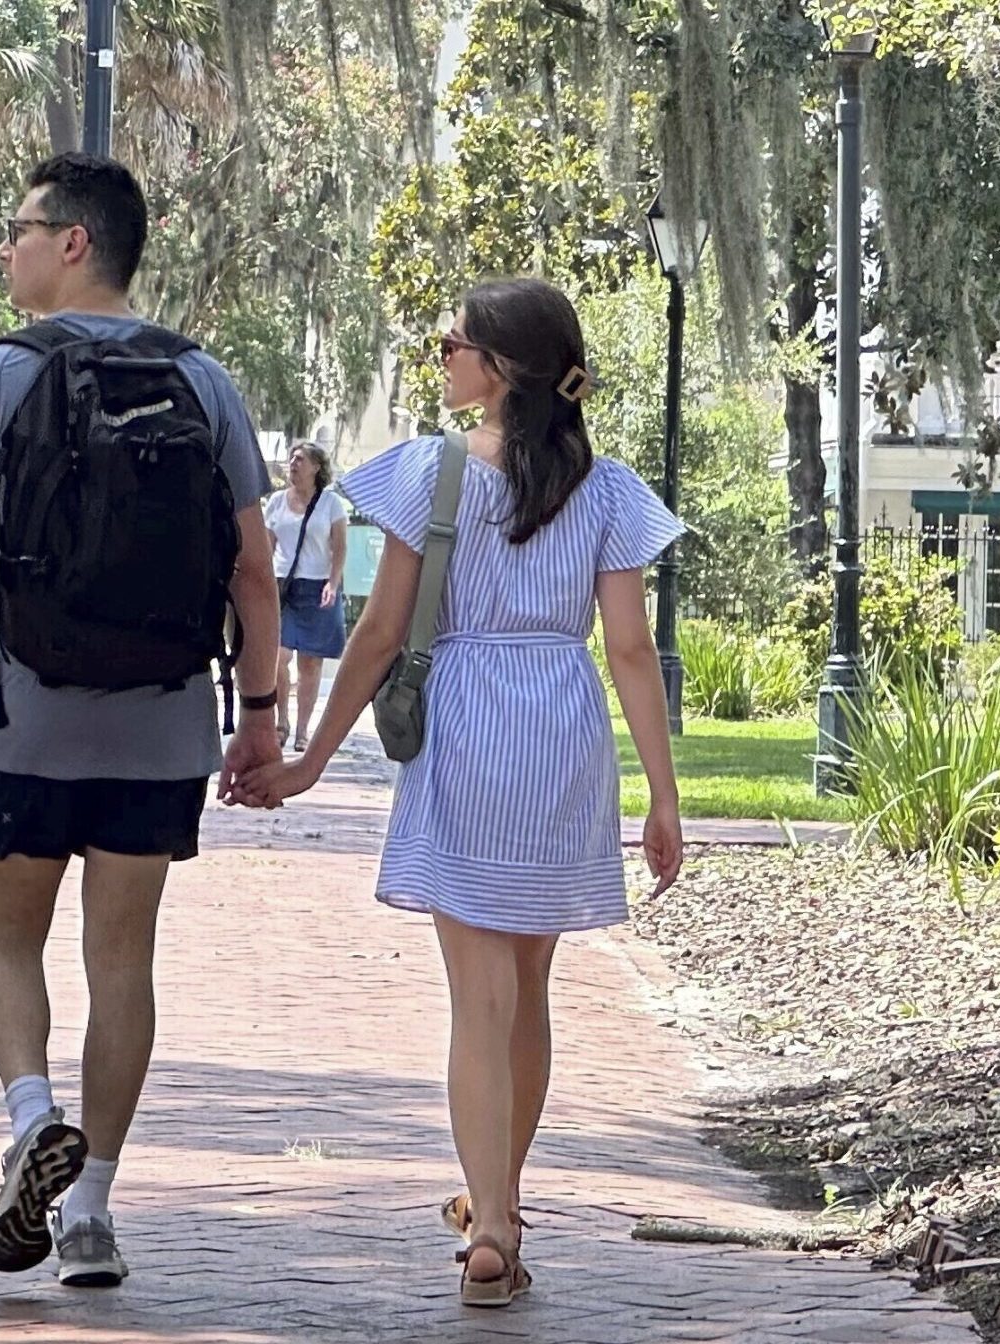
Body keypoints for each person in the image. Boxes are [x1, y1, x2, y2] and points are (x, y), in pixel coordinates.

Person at [233, 278, 686, 1307]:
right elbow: (627, 648)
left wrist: (307, 758)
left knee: (475, 1002)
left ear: (503, 367)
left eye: (454, 344)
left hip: (469, 728)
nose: (442, 359)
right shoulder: (606, 489)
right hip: (564, 732)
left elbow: (382, 633)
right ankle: (504, 1205)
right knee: (527, 994)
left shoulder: (432, 473)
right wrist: (662, 795)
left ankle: (488, 1224)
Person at [0, 152, 282, 1290]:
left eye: (16, 230)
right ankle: (92, 1207)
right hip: (161, 728)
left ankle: (26, 1120)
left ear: (73, 242)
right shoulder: (206, 383)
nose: (1, 250)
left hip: (24, 721)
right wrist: (257, 718)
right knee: (124, 959)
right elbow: (254, 572)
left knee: (5, 934)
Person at [267, 441, 349, 752]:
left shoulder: (331, 504)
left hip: (317, 586)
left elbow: (340, 547)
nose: (293, 463)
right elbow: (267, 547)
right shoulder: (276, 502)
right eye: (292, 458)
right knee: (277, 657)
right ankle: (281, 720)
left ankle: (302, 731)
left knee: (310, 664)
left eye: (300, 459)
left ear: (316, 467)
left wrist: (333, 582)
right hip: (284, 587)